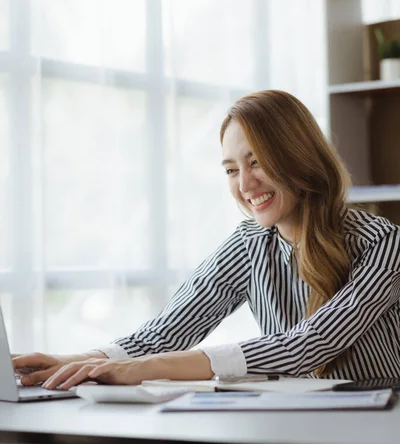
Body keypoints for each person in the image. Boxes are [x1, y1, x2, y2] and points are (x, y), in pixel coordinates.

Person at [13, 90, 400, 390]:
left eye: (257, 162)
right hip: (300, 425)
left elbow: (308, 344)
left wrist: (150, 369)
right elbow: (168, 331)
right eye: (231, 169)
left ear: (298, 158)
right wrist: (81, 359)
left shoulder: (383, 242)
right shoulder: (249, 243)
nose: (245, 185)